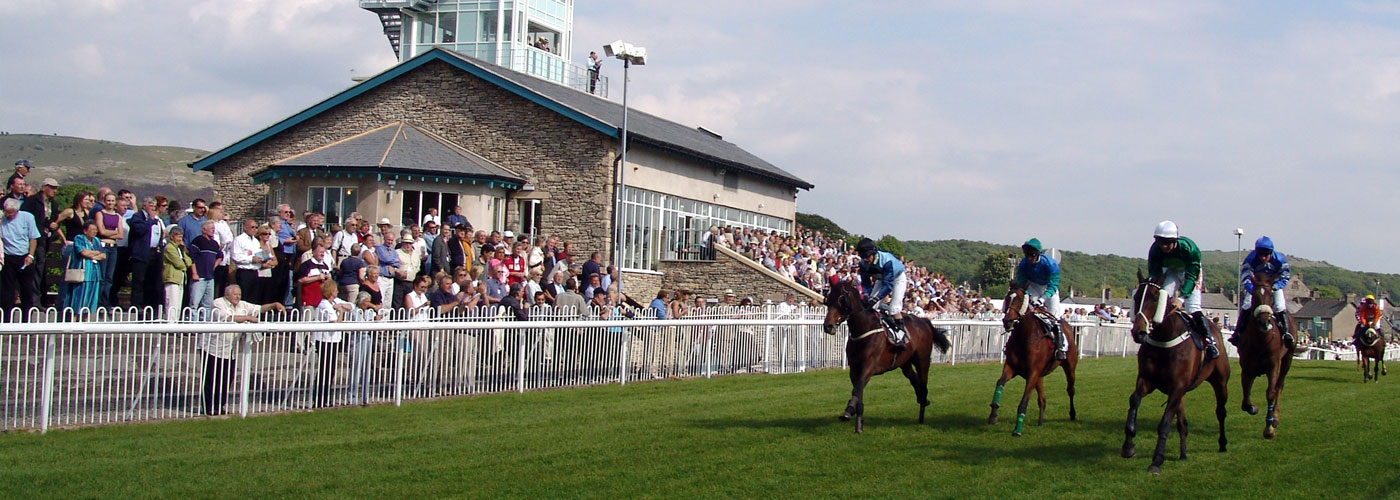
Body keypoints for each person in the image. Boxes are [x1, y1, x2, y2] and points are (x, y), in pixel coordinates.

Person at [203, 284, 284, 415]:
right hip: (213, 348)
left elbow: (259, 308)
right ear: (227, 294)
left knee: (227, 379)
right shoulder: (218, 303)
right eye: (235, 294)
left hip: (231, 350)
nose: (238, 296)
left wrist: (274, 304)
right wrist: (247, 318)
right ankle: (208, 407)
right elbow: (228, 318)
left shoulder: (242, 305)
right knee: (212, 379)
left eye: (239, 294)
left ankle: (220, 405)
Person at [1147, 220, 1218, 359]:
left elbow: (1192, 277)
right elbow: (1155, 275)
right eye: (1160, 242)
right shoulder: (1155, 250)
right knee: (1162, 297)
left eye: (1167, 243)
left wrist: (1181, 298)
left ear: (1175, 241)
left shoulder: (1189, 249)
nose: (1163, 246)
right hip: (1170, 271)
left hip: (1189, 272)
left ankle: (1210, 343)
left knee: (1193, 307)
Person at [1231, 236, 1293, 346]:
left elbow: (1285, 277)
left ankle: (1286, 333)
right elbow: (1245, 278)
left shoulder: (1280, 260)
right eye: (1260, 255)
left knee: (1279, 306)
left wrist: (1274, 287)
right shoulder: (1250, 260)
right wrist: (1253, 290)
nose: (1263, 258)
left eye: (1266, 255)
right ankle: (1238, 333)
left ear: (1271, 252)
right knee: (1246, 304)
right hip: (1256, 286)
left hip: (1273, 285)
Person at [1015, 238, 1068, 360]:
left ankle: (1061, 348)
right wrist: (1028, 295)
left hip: (1049, 288)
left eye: (1032, 255)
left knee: (1054, 317)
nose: (1029, 259)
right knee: (1028, 314)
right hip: (1033, 286)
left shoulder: (1051, 264)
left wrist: (1043, 299)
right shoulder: (1023, 264)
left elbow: (1053, 285)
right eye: (1027, 255)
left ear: (1038, 254)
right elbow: (1022, 282)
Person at [855, 237, 908, 348]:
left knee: (894, 309)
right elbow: (865, 282)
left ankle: (901, 336)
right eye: (862, 257)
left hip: (897, 278)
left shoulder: (886, 260)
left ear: (873, 253)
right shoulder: (863, 264)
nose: (865, 259)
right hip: (881, 278)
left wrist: (877, 297)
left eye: (867, 256)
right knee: (871, 306)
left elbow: (888, 285)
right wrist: (866, 294)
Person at [313, 280, 352, 408]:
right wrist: (340, 312)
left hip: (334, 341)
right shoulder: (324, 305)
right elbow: (335, 322)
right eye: (335, 290)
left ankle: (325, 397)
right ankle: (319, 398)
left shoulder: (334, 302)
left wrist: (343, 306)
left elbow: (350, 306)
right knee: (325, 370)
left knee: (331, 370)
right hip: (325, 340)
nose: (337, 292)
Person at [2, 198, 42, 319]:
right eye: (6, 212)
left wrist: (30, 255)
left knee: (26, 290)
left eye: (11, 212)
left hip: (24, 256)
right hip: (8, 256)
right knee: (6, 291)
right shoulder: (1, 219)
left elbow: (33, 237)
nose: (8, 215)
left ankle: (26, 320)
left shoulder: (27, 217)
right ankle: (5, 320)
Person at [66, 220, 105, 316]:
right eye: (92, 230)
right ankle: (74, 317)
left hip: (94, 273)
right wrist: (96, 253)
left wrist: (91, 254)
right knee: (79, 296)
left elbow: (103, 255)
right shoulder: (79, 238)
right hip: (83, 273)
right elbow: (83, 252)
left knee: (91, 297)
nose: (94, 232)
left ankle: (86, 317)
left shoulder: (96, 240)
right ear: (85, 231)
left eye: (96, 230)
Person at [188, 221, 223, 317]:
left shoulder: (214, 243)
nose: (213, 230)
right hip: (199, 277)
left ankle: (204, 327)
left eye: (213, 228)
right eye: (211, 228)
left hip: (210, 277)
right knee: (194, 303)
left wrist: (214, 266)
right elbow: (192, 258)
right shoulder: (197, 241)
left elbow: (220, 256)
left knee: (207, 305)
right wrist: (194, 273)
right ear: (204, 230)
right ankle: (192, 327)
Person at [161, 226, 193, 321]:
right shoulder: (169, 248)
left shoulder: (179, 249)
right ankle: (170, 324)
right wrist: (184, 264)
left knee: (178, 304)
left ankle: (175, 322)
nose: (180, 239)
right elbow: (179, 264)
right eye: (178, 237)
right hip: (172, 278)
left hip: (180, 279)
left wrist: (183, 250)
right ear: (172, 236)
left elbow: (189, 261)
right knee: (172, 303)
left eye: (181, 237)